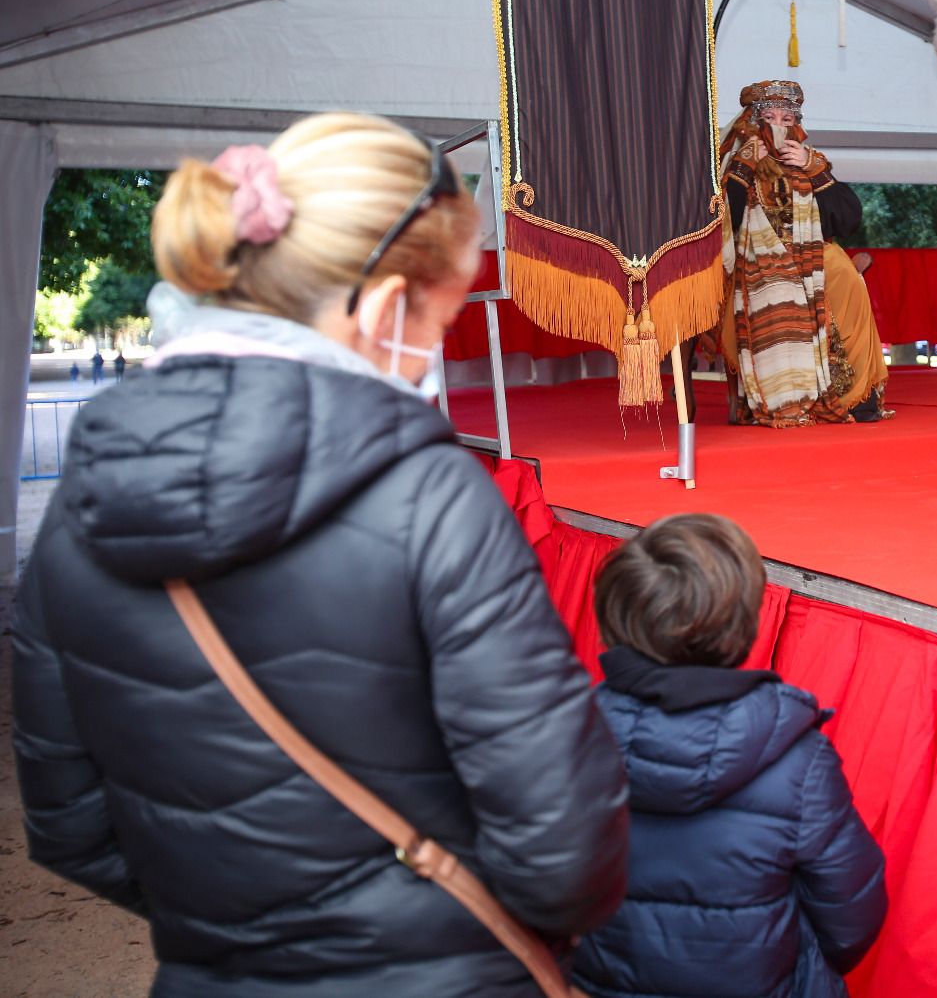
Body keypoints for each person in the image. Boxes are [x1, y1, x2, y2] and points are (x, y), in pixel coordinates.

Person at [11, 113, 629, 997]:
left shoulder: (77, 506)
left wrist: (246, 925)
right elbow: (568, 858)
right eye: (447, 316)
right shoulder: (434, 498)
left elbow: (70, 828)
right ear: (383, 310)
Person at [572, 513, 888, 997]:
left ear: (612, 619)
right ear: (742, 626)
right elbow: (851, 915)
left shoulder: (562, 738)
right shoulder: (799, 761)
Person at [719, 79, 891, 426]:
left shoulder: (811, 161)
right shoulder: (735, 164)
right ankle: (788, 395)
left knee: (846, 277)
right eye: (770, 117)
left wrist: (815, 169)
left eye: (787, 119)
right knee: (779, 286)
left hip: (812, 252)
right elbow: (722, 224)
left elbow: (847, 219)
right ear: (753, 121)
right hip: (760, 259)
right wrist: (743, 168)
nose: (780, 126)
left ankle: (857, 395)